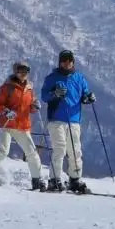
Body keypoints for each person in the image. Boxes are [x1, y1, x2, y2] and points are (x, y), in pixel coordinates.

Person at [0, 61, 47, 190]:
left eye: (26, 71)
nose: (23, 74)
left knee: (32, 153)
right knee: (3, 150)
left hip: (23, 125)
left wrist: (34, 106)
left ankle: (37, 180)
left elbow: (30, 106)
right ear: (15, 71)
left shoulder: (29, 88)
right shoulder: (7, 87)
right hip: (8, 124)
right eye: (20, 71)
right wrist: (6, 111)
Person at [40, 49, 95, 193]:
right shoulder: (52, 78)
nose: (67, 63)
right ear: (60, 62)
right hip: (56, 119)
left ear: (73, 61)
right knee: (60, 149)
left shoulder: (79, 78)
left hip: (74, 120)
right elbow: (44, 96)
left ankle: (75, 179)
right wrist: (55, 94)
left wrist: (88, 98)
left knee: (75, 150)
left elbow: (85, 94)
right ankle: (54, 180)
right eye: (64, 60)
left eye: (69, 60)